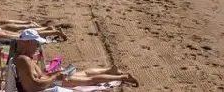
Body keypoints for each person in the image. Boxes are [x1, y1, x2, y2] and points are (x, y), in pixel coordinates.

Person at [8, 29, 140, 91]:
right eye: (36, 44)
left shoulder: (25, 59)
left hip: (51, 81)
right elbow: (34, 87)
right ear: (27, 42)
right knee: (90, 79)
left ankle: (112, 71)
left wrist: (54, 74)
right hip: (51, 84)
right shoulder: (24, 60)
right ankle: (123, 76)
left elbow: (39, 78)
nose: (38, 47)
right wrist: (55, 77)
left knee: (85, 74)